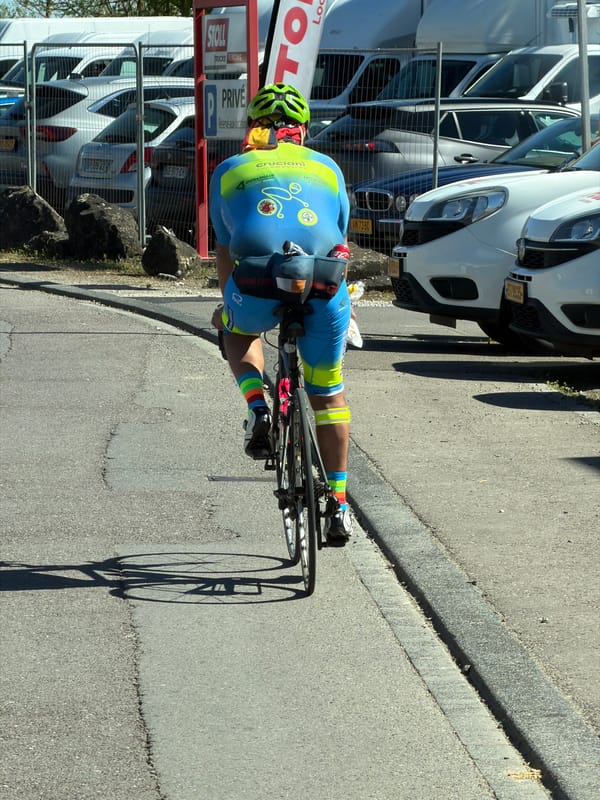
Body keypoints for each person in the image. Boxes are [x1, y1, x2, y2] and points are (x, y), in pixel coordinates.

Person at [209, 82, 353, 544]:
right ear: (304, 130)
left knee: (233, 330)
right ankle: (338, 504)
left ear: (252, 127)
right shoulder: (328, 168)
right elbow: (339, 243)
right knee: (328, 394)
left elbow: (226, 250)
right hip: (324, 280)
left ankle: (258, 409)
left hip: (255, 280)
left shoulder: (230, 169)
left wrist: (225, 304)